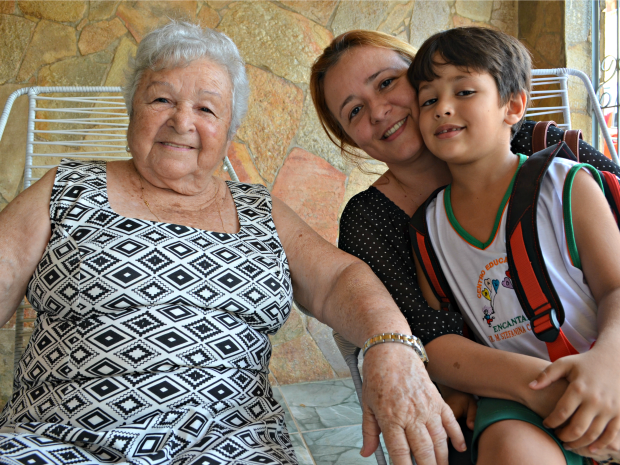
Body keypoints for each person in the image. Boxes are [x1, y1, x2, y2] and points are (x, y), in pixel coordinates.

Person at [0, 22, 465, 465]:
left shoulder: (259, 209)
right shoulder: (67, 188)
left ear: (229, 131)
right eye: (161, 99)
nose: (182, 121)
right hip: (58, 440)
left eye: (206, 108)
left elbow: (340, 278)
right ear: (133, 109)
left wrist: (390, 345)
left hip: (231, 446)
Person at [310, 29, 620, 464]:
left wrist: (608, 370)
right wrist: (556, 393)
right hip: (502, 398)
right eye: (355, 111)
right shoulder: (386, 224)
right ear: (351, 138)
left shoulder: (545, 156)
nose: (378, 111)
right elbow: (426, 337)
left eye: (386, 83)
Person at [409, 26, 620, 464]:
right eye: (428, 99)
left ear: (513, 105)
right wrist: (454, 386)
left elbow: (616, 288)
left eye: (464, 91)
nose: (443, 108)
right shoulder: (428, 230)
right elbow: (444, 332)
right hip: (519, 401)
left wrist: (608, 364)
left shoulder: (567, 186)